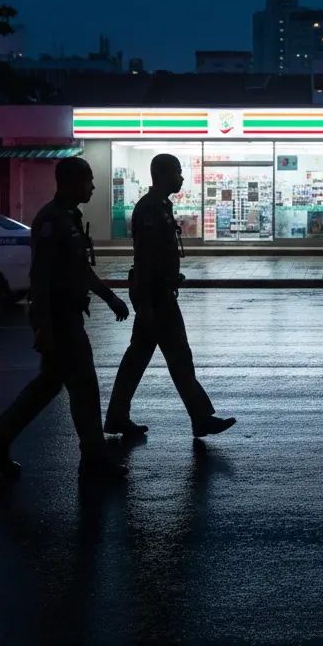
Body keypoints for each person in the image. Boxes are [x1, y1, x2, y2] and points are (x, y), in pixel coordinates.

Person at [0, 157, 131, 480]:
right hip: (61, 320)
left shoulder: (69, 217)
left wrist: (110, 298)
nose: (93, 186)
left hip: (68, 315)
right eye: (89, 180)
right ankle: (94, 459)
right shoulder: (51, 221)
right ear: (72, 182)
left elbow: (82, 270)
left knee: (48, 385)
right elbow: (41, 280)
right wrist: (44, 329)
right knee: (85, 386)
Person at [105, 153, 236, 440]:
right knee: (176, 356)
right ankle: (200, 418)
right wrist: (148, 304)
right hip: (155, 296)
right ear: (163, 175)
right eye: (178, 172)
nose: (182, 177)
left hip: (159, 292)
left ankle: (118, 416)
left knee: (140, 357)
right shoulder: (149, 209)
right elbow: (144, 259)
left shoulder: (161, 206)